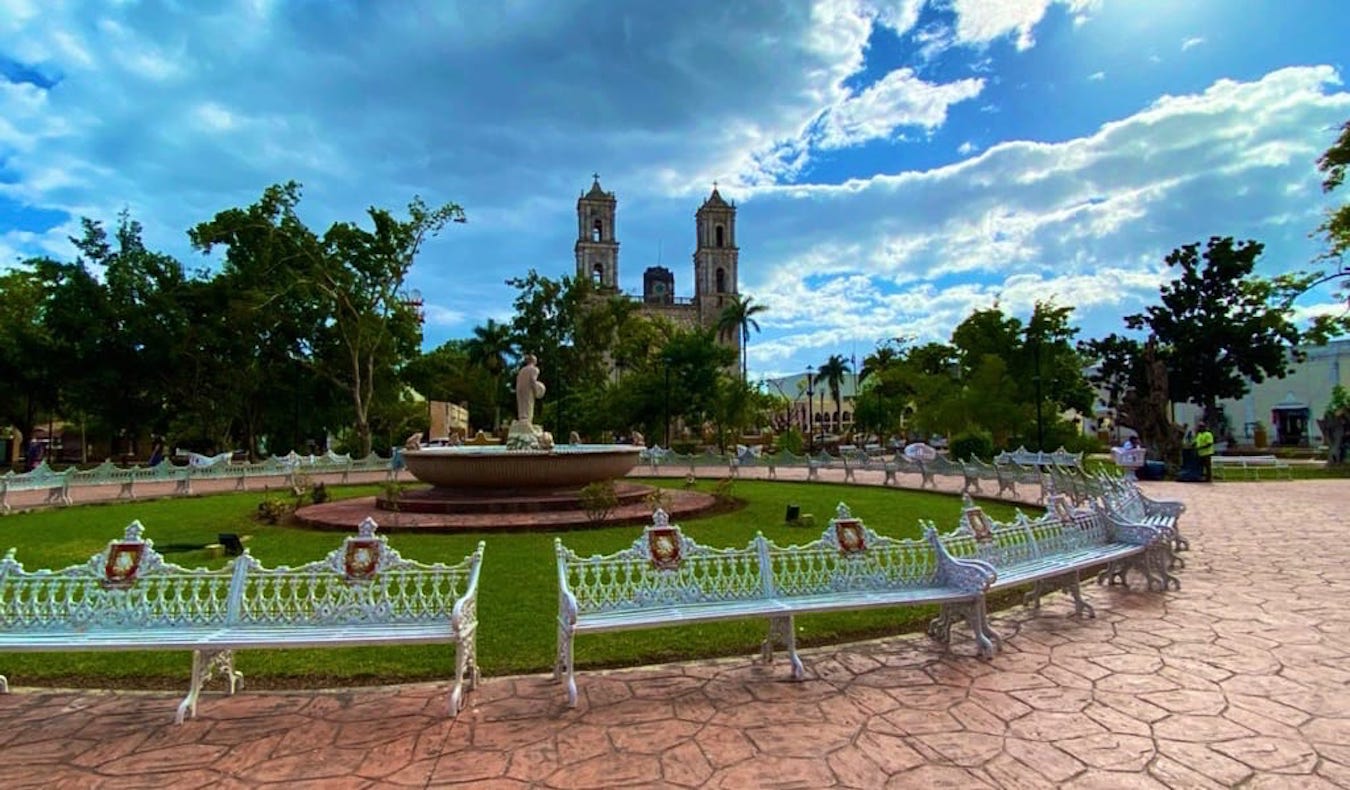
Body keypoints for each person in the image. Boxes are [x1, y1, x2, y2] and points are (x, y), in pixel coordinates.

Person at [515, 354, 546, 424]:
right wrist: (536, 391)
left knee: (522, 405)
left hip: (520, 389)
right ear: (534, 361)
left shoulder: (522, 370)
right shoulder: (534, 369)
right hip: (528, 389)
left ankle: (522, 418)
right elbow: (532, 380)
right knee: (529, 405)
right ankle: (527, 420)